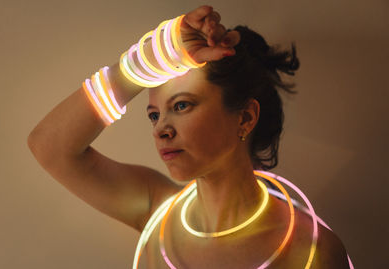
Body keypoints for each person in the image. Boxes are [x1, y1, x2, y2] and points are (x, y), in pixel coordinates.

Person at [27, 5, 352, 268]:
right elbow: (50, 146)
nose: (161, 129)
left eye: (182, 105)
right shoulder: (156, 210)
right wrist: (147, 62)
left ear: (246, 117)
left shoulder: (311, 252)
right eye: (155, 114)